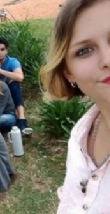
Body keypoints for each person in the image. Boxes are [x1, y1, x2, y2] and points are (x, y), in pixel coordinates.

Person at [40, 1, 110, 213]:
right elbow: (70, 200)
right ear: (68, 72)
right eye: (85, 51)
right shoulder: (82, 133)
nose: (107, 60)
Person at [0, 37, 32, 135]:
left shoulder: (12, 61)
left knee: (14, 84)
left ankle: (21, 119)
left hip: (8, 98)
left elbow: (20, 77)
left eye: (2, 49)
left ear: (6, 51)